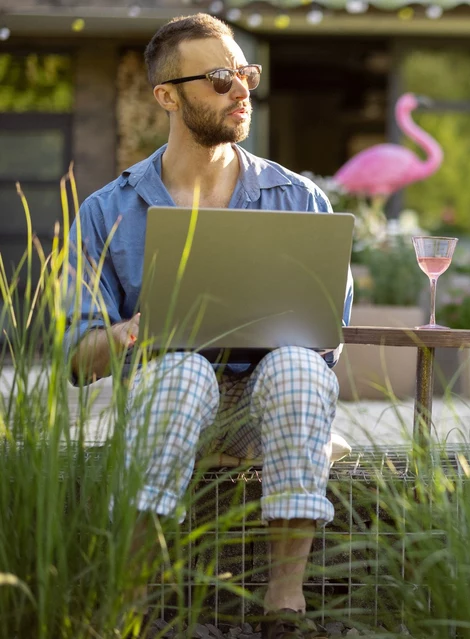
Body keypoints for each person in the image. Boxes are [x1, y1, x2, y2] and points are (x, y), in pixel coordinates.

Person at [63, 13, 352, 639]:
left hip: (272, 406)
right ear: (168, 96)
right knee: (184, 372)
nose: (242, 89)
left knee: (299, 365)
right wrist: (134, 330)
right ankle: (131, 603)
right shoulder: (107, 211)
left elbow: (330, 339)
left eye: (244, 73)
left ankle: (285, 604)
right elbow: (79, 360)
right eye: (220, 78)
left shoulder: (300, 198)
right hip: (168, 404)